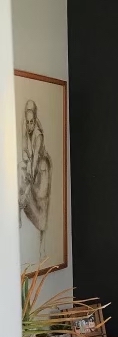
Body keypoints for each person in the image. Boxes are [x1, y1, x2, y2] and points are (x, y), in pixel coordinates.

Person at [18, 99, 52, 252]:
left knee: (42, 206)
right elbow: (25, 151)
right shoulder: (25, 128)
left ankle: (43, 247)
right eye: (27, 122)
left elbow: (36, 157)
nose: (29, 125)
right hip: (33, 166)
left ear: (35, 119)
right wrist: (26, 160)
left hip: (42, 169)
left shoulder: (38, 135)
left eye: (32, 122)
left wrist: (30, 171)